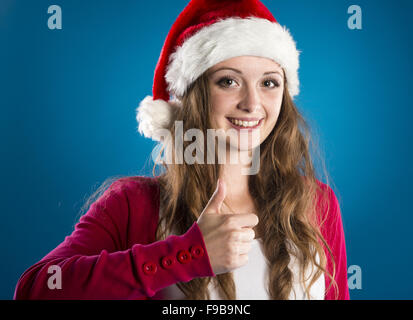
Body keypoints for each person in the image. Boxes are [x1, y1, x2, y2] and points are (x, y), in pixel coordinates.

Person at [14, 0, 350, 300]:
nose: (252, 103)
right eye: (228, 81)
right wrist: (187, 255)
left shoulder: (317, 204)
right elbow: (38, 289)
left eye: (269, 82)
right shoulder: (134, 204)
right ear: (194, 95)